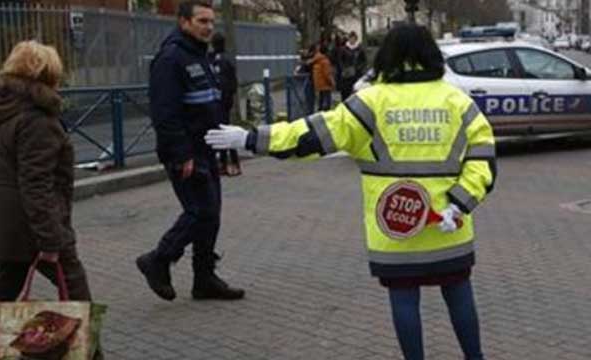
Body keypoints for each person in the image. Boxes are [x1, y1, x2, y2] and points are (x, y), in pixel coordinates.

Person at [205, 24, 496, 360]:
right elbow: (483, 157)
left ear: (387, 55)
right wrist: (459, 203)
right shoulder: (458, 101)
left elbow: (312, 135)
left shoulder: (370, 102)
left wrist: (252, 138)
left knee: (404, 300)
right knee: (459, 294)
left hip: (395, 227)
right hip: (447, 224)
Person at [0, 40, 103, 359]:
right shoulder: (36, 119)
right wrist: (51, 239)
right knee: (75, 290)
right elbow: (36, 185)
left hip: (8, 222)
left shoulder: (8, 108)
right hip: (33, 226)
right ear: (48, 73)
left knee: (1, 289)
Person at [136, 0, 245, 301]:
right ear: (184, 22)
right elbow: (165, 114)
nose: (209, 26)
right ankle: (158, 259)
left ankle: (204, 278)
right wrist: (181, 154)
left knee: (212, 215)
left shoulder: (200, 55)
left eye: (211, 21)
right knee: (200, 211)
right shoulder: (171, 59)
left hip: (208, 149)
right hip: (186, 153)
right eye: (201, 21)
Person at [210, 32, 241, 177]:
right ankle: (231, 163)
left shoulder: (210, 60)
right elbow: (233, 83)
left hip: (215, 101)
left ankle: (226, 163)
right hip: (225, 100)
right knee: (224, 129)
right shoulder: (227, 60)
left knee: (220, 130)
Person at [339, 31, 367, 100]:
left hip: (357, 74)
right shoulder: (343, 49)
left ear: (356, 39)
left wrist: (359, 68)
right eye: (351, 38)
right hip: (347, 75)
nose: (352, 40)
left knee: (356, 92)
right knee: (346, 92)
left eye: (354, 38)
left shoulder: (360, 49)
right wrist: (344, 69)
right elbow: (340, 61)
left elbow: (364, 61)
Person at [309, 43, 335, 111]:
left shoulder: (316, 60)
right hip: (326, 85)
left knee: (320, 103)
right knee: (326, 105)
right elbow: (327, 74)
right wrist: (332, 83)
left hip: (318, 85)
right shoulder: (325, 61)